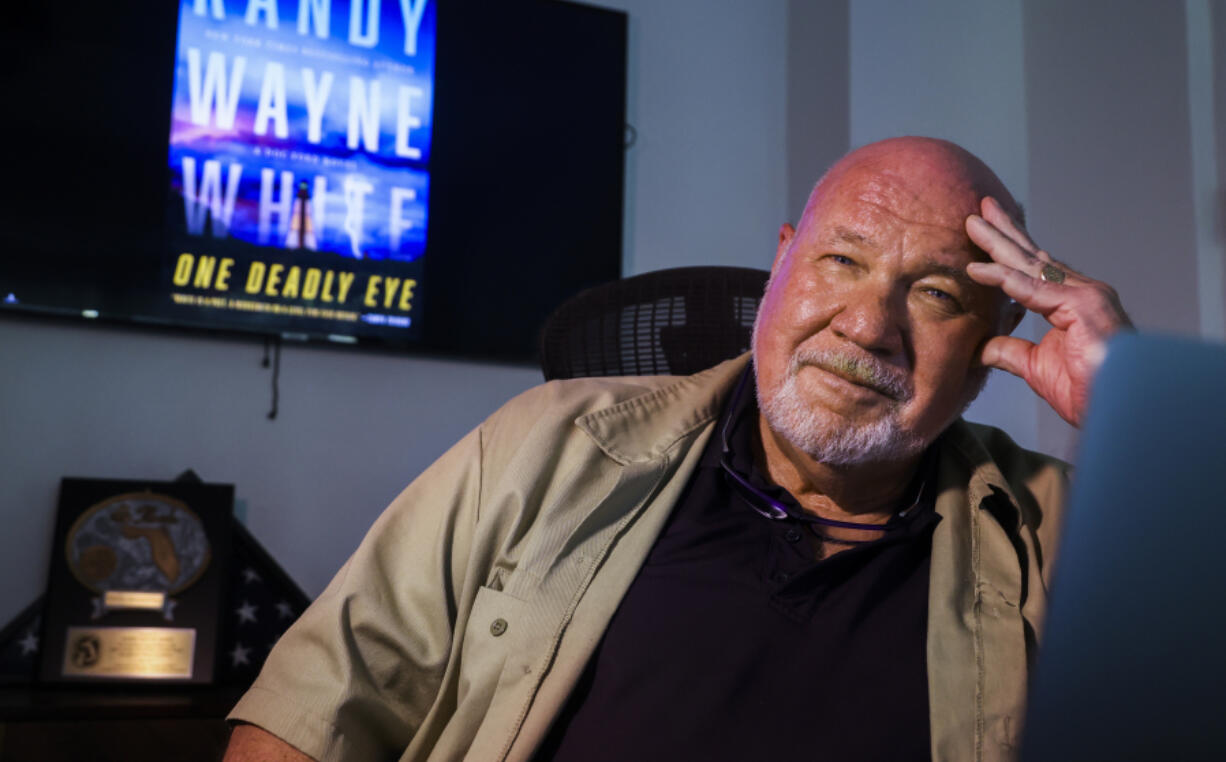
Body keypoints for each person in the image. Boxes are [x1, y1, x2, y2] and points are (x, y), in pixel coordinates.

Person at [224, 136, 1131, 762]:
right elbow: (317, 709)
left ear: (996, 331)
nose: (867, 326)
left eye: (934, 293)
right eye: (840, 262)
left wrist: (1133, 403)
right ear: (782, 263)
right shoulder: (545, 445)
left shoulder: (1069, 537)